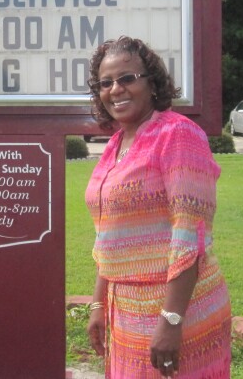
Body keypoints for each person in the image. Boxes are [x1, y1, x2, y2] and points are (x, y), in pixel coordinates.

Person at [85, 36, 231, 378]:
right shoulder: (117, 144)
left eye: (126, 78)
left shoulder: (178, 135)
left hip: (177, 309)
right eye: (105, 83)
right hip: (125, 311)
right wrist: (98, 302)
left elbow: (190, 235)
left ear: (152, 82)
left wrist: (171, 319)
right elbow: (110, 235)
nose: (115, 90)